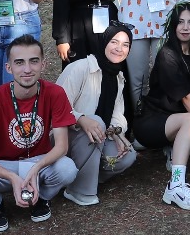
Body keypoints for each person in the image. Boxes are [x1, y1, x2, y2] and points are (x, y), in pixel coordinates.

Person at [0, 35, 79, 233]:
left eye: (34, 61)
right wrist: (11, 176)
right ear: (9, 68)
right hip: (2, 163)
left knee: (68, 169)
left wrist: (37, 168)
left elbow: (61, 146)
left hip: (37, 160)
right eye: (19, 63)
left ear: (43, 64)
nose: (27, 69)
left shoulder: (55, 93)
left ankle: (42, 199)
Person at [133, 3, 190, 210]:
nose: (185, 27)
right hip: (153, 120)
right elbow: (188, 100)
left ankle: (172, 149)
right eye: (180, 22)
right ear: (173, 25)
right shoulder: (167, 54)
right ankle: (176, 185)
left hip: (181, 122)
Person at [54, 23, 138, 206]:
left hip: (97, 136)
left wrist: (116, 133)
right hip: (64, 139)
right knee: (96, 121)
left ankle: (85, 177)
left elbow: (117, 115)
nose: (119, 49)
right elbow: (55, 108)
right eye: (114, 42)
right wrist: (81, 119)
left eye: (125, 45)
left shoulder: (118, 77)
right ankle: (79, 191)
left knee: (128, 154)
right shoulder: (79, 68)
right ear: (104, 42)